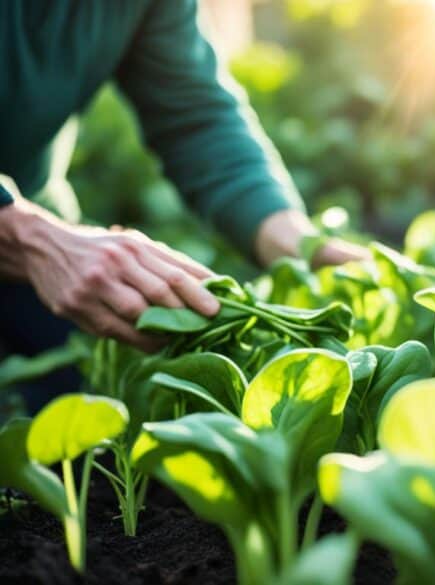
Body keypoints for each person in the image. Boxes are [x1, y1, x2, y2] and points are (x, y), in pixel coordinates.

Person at [0, 1, 369, 411]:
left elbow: (195, 118)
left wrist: (300, 244)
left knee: (84, 409)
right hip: (24, 235)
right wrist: (29, 238)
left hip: (33, 235)